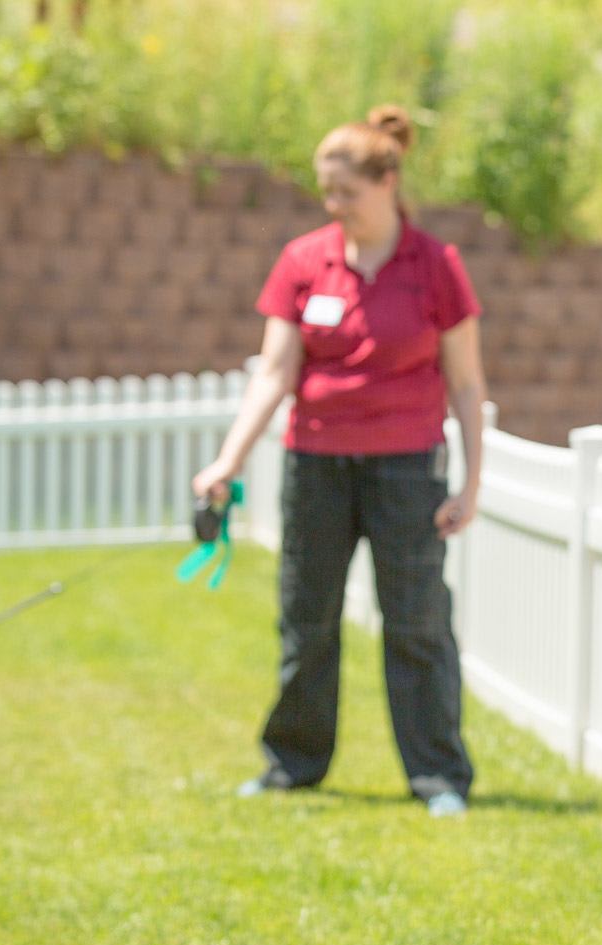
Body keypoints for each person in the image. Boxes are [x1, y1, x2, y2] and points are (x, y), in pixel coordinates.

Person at [192, 105, 485, 818]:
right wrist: (226, 461)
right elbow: (274, 371)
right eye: (327, 192)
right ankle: (292, 766)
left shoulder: (436, 267)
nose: (335, 206)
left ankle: (438, 776)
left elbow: (468, 382)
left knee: (416, 623)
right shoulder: (303, 261)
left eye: (346, 191)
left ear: (387, 181)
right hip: (316, 464)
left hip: (406, 467)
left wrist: (472, 482)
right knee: (307, 618)